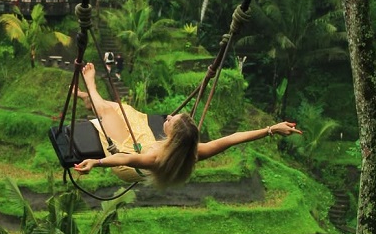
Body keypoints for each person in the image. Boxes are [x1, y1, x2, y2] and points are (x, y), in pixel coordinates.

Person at [73, 62, 302, 187]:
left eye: (171, 121)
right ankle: (90, 101)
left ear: (172, 137)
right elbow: (234, 138)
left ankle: (91, 90)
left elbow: (123, 158)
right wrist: (271, 129)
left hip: (127, 165)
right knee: (127, 111)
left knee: (109, 114)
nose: (168, 118)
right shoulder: (191, 152)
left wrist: (96, 161)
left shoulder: (155, 159)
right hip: (145, 144)